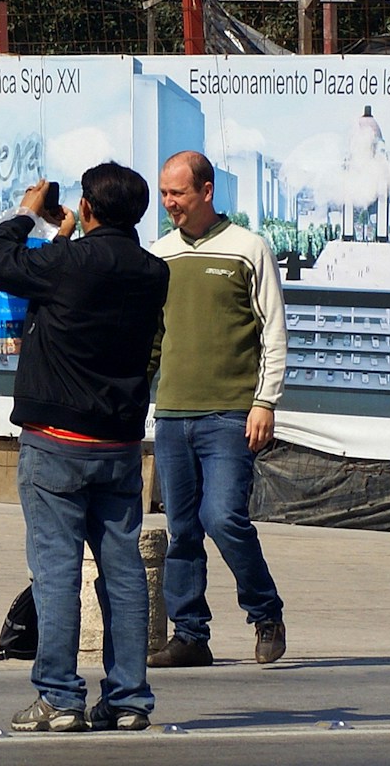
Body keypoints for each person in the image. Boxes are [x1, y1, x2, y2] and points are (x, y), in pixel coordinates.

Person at [0, 164, 170, 733]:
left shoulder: (67, 264)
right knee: (123, 570)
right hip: (117, 444)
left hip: (56, 442)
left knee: (56, 570)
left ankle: (60, 696)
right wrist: (66, 233)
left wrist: (28, 212)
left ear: (87, 207)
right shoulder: (152, 272)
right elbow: (76, 274)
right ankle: (129, 697)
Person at [147, 150, 288, 667]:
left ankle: (265, 611)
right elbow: (154, 339)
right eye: (164, 193)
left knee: (223, 517)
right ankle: (190, 635)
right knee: (182, 528)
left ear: (206, 191)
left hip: (230, 414)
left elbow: (273, 331)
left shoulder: (248, 249)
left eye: (177, 193)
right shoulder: (159, 255)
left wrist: (264, 401)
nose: (169, 204)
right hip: (173, 414)